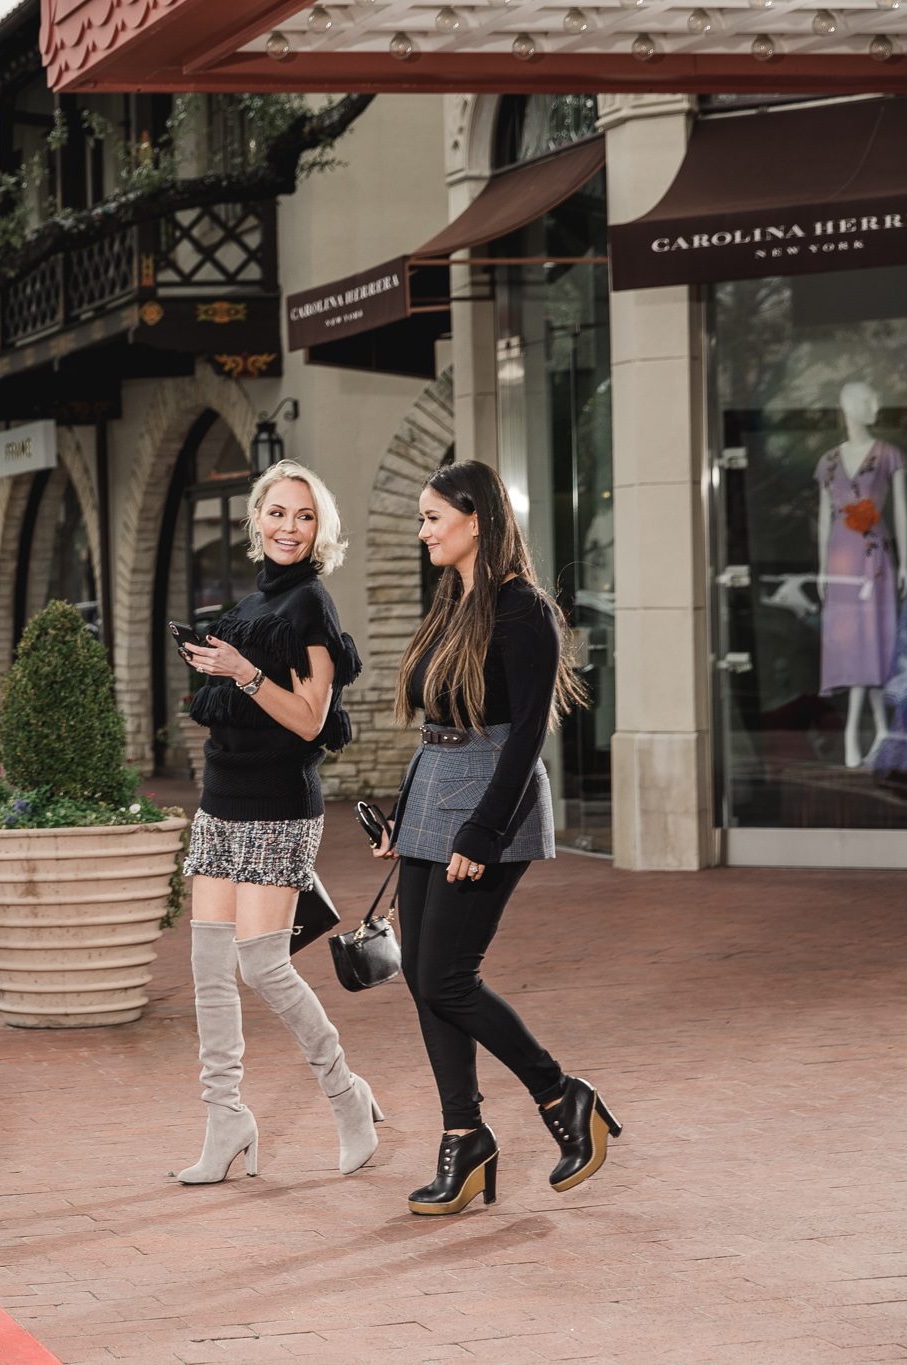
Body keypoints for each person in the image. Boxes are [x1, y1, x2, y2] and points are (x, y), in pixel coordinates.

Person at [372, 459, 620, 1217]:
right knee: (422, 974)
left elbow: (522, 744)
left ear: (475, 516)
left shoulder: (524, 610)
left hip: (490, 806)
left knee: (447, 976)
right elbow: (437, 725)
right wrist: (401, 816)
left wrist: (482, 828)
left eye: (431, 519)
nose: (423, 532)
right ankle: (465, 1138)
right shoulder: (455, 600)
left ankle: (561, 1095)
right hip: (434, 799)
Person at [175, 459, 379, 1184]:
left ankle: (347, 1095)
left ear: (319, 530)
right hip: (222, 797)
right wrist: (220, 667)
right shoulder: (249, 603)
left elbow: (311, 719)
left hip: (278, 806)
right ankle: (225, 1117)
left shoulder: (310, 606)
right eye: (278, 512)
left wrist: (243, 673)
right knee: (207, 964)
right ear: (256, 519)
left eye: (304, 516)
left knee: (262, 961)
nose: (289, 526)